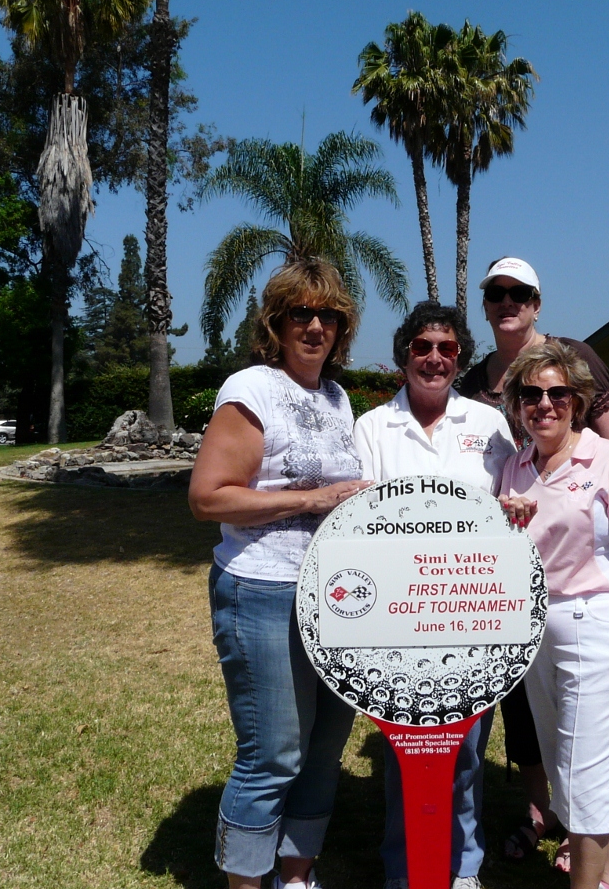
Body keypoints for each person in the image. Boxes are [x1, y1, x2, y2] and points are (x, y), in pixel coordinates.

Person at [189, 258, 372, 889]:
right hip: (264, 588)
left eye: (329, 315)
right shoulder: (251, 389)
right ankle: (246, 879)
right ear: (276, 321)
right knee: (273, 753)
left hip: (334, 593)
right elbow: (208, 497)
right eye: (302, 312)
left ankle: (295, 874)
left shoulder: (337, 398)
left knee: (323, 750)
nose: (316, 326)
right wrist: (312, 499)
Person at [455, 256, 609, 865]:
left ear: (536, 302)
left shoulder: (573, 355)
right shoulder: (475, 380)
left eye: (519, 292)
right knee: (525, 705)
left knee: (587, 710)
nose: (508, 302)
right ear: (486, 305)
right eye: (496, 293)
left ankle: (589, 834)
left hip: (587, 569)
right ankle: (541, 809)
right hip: (517, 571)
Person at [497, 340, 609, 889]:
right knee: (564, 766)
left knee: (586, 777)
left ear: (576, 401)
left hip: (599, 624)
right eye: (531, 394)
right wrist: (506, 522)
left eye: (557, 394)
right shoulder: (513, 469)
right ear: (518, 404)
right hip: (535, 631)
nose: (544, 404)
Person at [353, 301, 516, 889]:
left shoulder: (488, 424)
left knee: (467, 748)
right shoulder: (372, 428)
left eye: (447, 348)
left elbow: (510, 505)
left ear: (459, 358)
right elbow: (357, 523)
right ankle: (404, 867)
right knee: (405, 750)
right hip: (397, 617)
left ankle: (463, 864)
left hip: (472, 611)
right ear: (404, 355)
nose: (434, 358)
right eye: (422, 346)